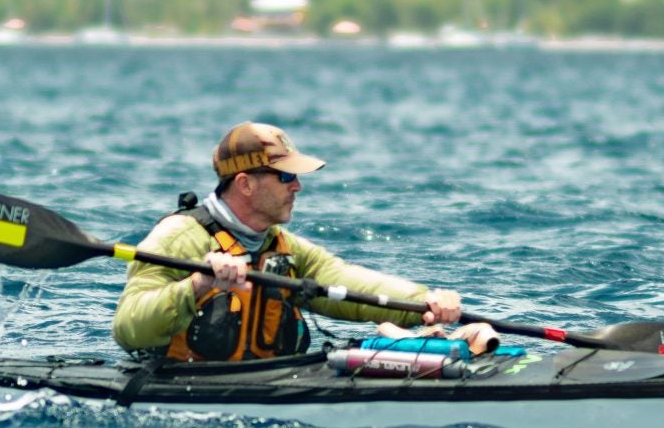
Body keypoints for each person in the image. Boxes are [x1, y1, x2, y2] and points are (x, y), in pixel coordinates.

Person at [112, 122, 494, 361]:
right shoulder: (177, 238)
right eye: (284, 177)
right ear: (245, 184)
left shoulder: (283, 246)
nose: (297, 186)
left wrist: (424, 301)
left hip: (261, 383)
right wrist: (198, 284)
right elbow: (129, 329)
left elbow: (346, 280)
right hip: (178, 391)